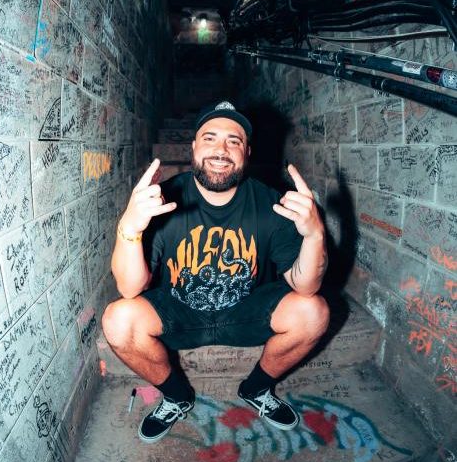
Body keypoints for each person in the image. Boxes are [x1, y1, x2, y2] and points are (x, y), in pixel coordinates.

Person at [102, 101, 329, 443]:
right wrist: (129, 227)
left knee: (314, 312)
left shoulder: (270, 203)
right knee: (118, 320)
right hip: (179, 310)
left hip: (246, 310)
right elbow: (130, 288)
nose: (221, 150)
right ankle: (177, 395)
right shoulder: (164, 199)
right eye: (210, 138)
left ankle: (256, 388)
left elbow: (305, 286)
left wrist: (315, 235)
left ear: (246, 152)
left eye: (233, 141)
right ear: (194, 146)